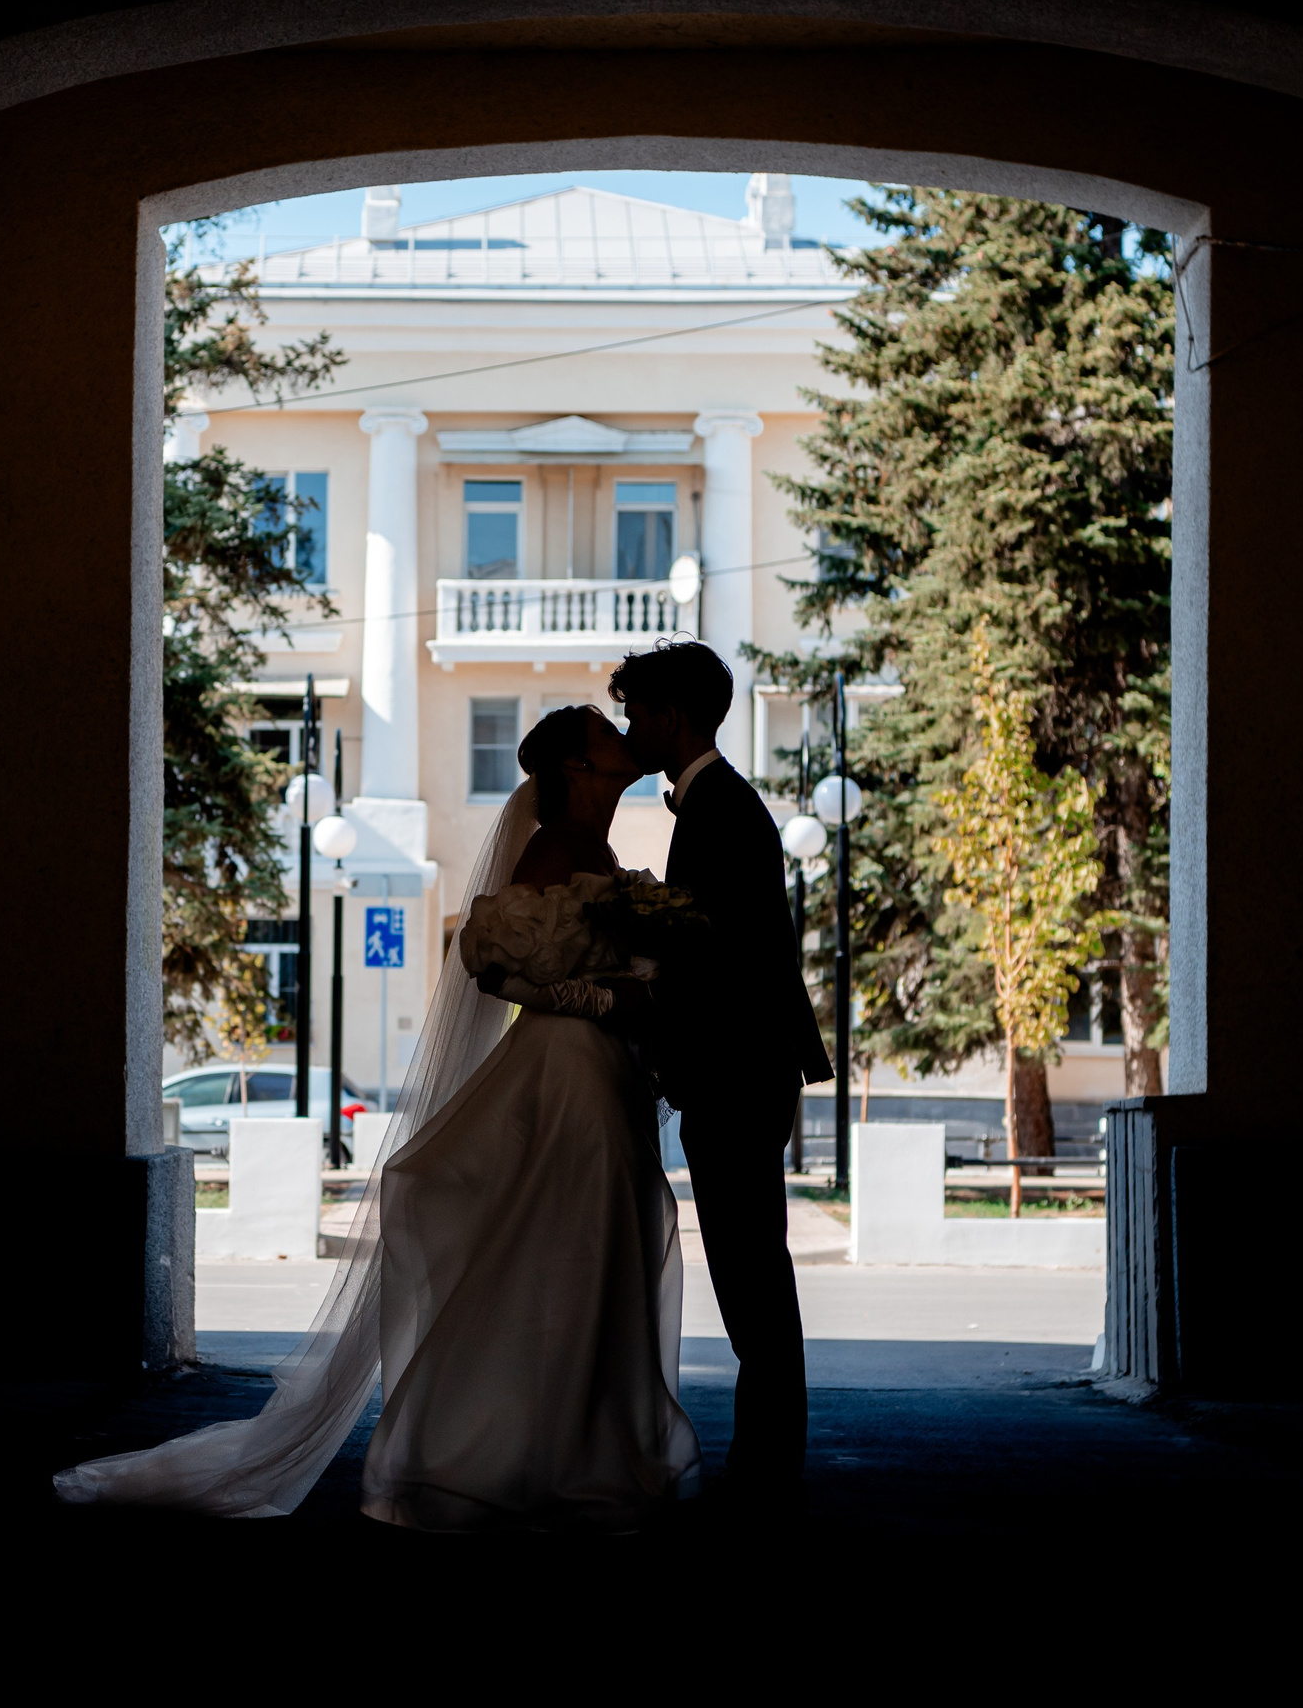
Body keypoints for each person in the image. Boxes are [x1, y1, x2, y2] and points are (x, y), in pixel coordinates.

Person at [53, 705, 698, 1529]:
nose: (622, 734)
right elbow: (492, 964)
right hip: (566, 1074)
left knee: (598, 1256)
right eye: (606, 731)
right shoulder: (552, 849)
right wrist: (586, 995)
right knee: (568, 1256)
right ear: (579, 767)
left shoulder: (603, 851)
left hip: (605, 1072)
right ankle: (509, 1451)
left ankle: (576, 1447)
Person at [611, 639, 836, 1492]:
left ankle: (768, 1471)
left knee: (753, 1280)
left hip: (737, 1075)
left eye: (638, 710)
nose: (632, 725)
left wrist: (646, 981)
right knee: (751, 1276)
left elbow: (725, 960)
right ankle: (764, 1462)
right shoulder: (717, 803)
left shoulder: (724, 811)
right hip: (738, 1072)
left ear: (672, 716)